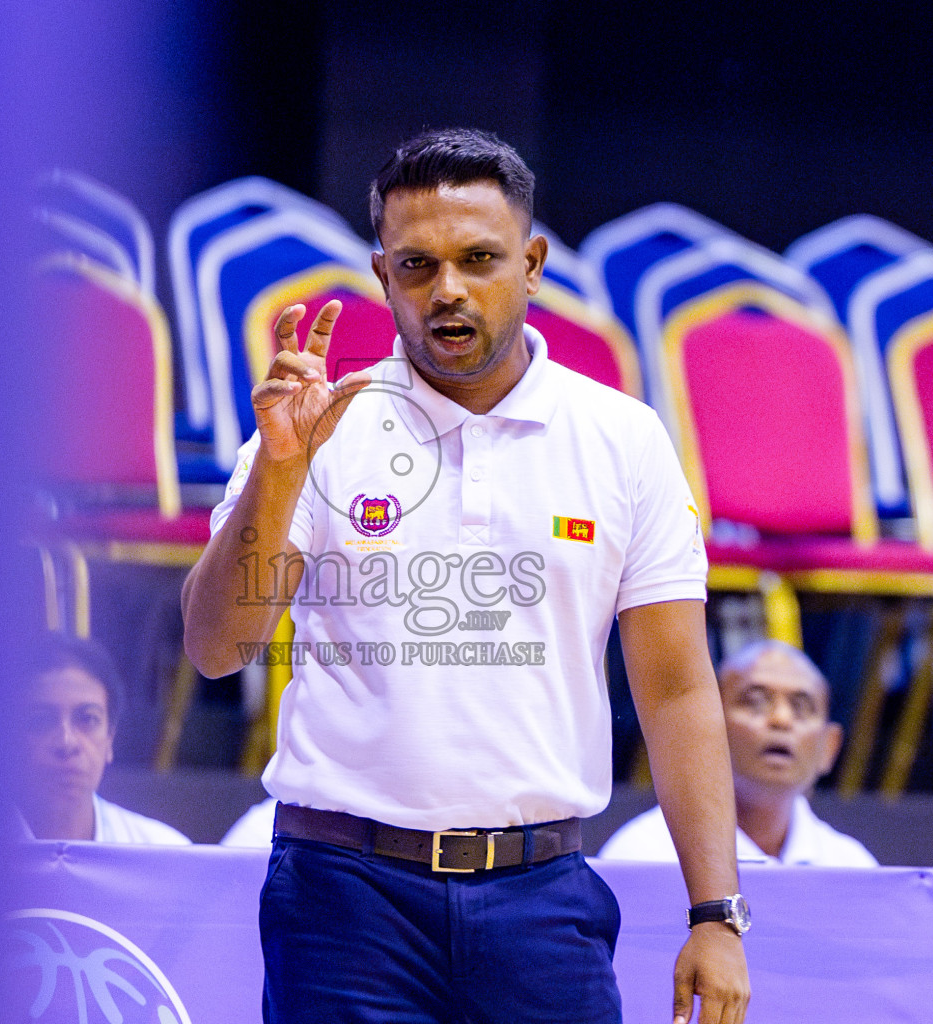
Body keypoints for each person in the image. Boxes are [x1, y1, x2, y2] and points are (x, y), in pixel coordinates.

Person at [182, 128, 748, 1024]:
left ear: (532, 264)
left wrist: (715, 913)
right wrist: (281, 471)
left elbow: (676, 689)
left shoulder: (623, 439)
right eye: (417, 265)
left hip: (542, 894)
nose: (447, 289)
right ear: (383, 276)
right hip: (343, 899)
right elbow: (218, 647)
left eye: (478, 259)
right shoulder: (319, 428)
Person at [600, 640, 877, 867]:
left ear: (829, 747)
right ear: (706, 728)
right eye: (756, 702)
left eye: (801, 708)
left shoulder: (853, 867)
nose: (781, 720)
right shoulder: (642, 854)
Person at [15, 632, 190, 845]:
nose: (66, 743)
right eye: (42, 720)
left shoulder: (163, 851)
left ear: (110, 738)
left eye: (88, 719)